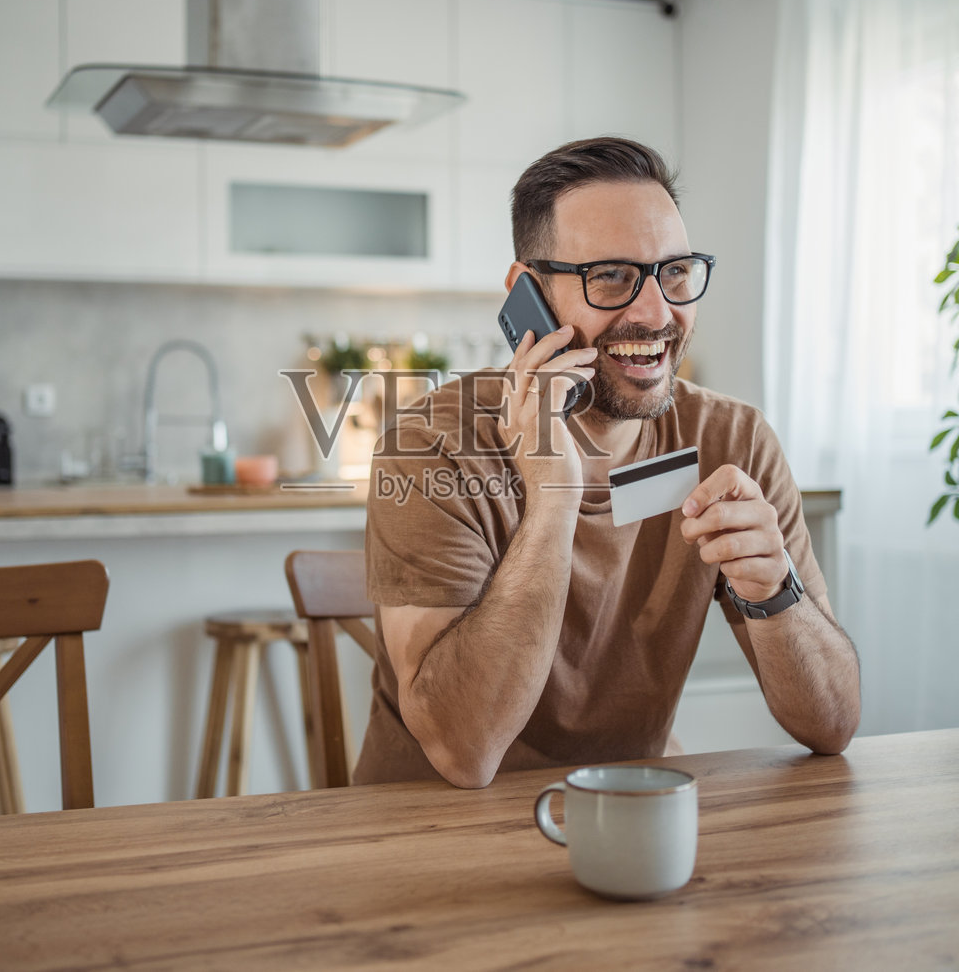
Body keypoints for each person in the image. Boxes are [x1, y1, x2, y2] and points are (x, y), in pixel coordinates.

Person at [356, 137, 860, 788]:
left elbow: (832, 725)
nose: (656, 312)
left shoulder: (733, 440)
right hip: (428, 831)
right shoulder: (430, 445)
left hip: (626, 813)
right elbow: (464, 752)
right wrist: (553, 498)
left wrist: (775, 592)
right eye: (611, 276)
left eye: (675, 272)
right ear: (528, 292)